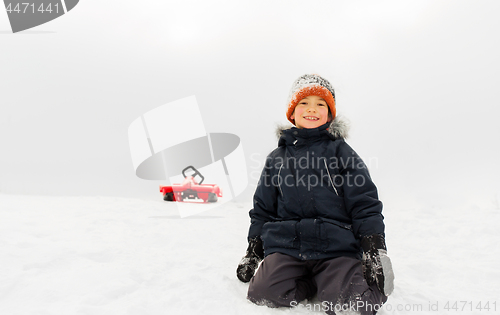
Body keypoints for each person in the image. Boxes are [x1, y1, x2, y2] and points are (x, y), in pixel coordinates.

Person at [236, 74, 394, 315]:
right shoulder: (276, 159)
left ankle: (350, 281)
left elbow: (364, 203)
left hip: (335, 246)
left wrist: (374, 245)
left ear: (329, 114)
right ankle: (312, 283)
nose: (312, 109)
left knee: (355, 305)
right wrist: (254, 249)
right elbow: (263, 209)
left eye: (320, 104)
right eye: (304, 103)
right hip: (288, 246)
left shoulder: (342, 152)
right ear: (292, 112)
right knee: (263, 294)